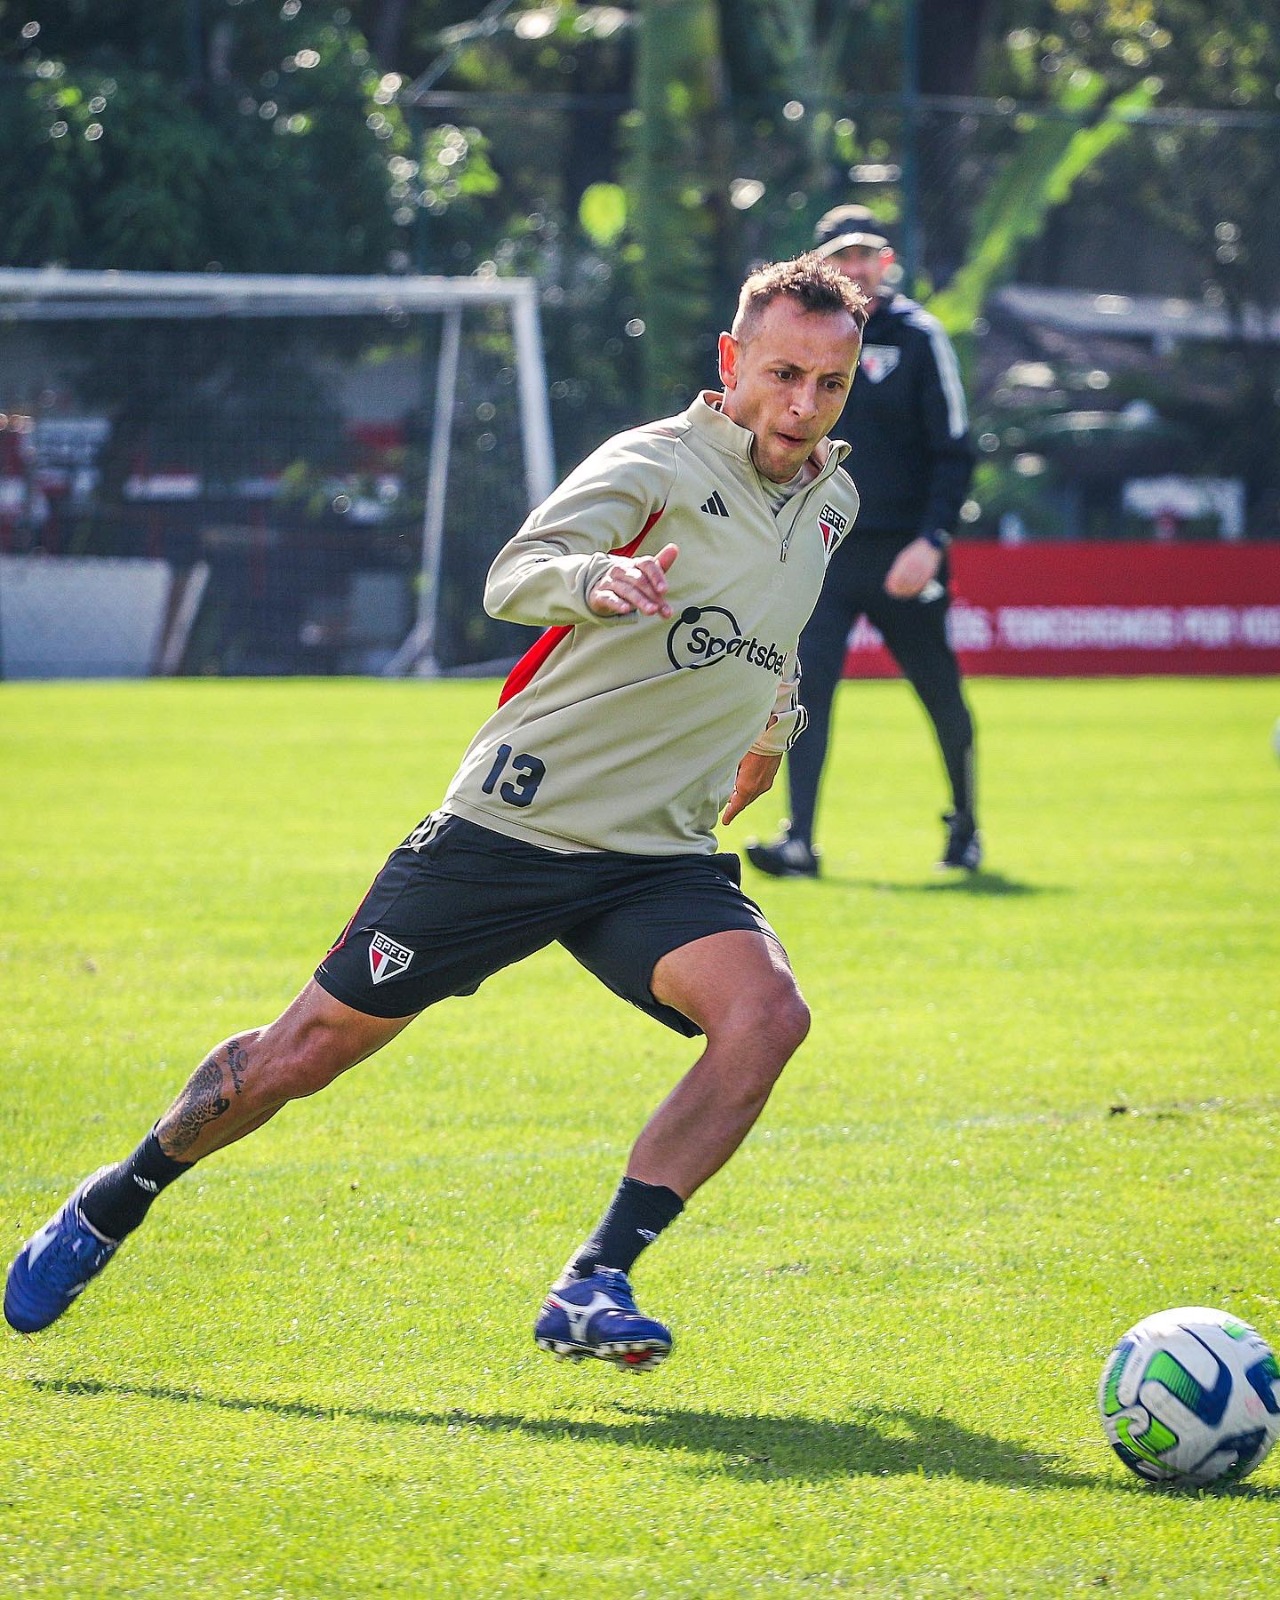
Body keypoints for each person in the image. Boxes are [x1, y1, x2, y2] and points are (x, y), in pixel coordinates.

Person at [5, 256, 868, 1370]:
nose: (801, 406)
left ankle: (592, 1281)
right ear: (730, 361)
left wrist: (770, 734)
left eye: (829, 383)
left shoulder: (832, 500)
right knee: (300, 1054)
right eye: (782, 373)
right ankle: (113, 1202)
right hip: (513, 827)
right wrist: (595, 582)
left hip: (656, 854)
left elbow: (776, 636)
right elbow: (516, 572)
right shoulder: (652, 463)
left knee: (767, 1016)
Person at [747, 204, 981, 878]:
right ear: (817, 266)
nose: (855, 268)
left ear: (886, 263)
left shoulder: (918, 336)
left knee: (940, 688)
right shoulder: (795, 340)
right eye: (841, 256)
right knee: (802, 691)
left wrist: (931, 540)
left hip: (903, 548)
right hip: (822, 548)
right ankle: (799, 839)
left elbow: (954, 451)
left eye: (867, 255)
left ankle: (965, 827)